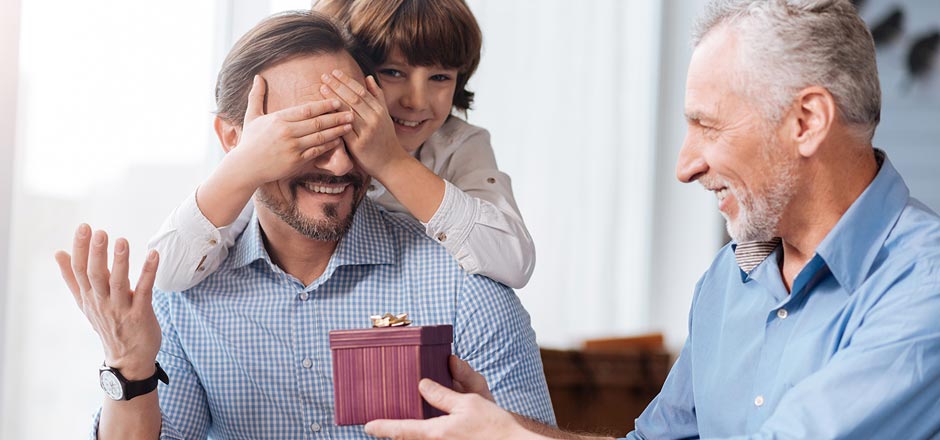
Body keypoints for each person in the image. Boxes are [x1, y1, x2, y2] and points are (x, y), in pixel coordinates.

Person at [364, 1, 940, 439]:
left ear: (807, 121)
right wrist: (500, 426)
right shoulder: (728, 281)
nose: (685, 165)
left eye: (707, 125)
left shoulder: (924, 284)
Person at [54, 11, 555, 440]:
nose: (338, 164)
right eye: (302, 136)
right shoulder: (187, 293)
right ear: (235, 141)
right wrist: (130, 367)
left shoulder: (465, 285)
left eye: (352, 130)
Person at [149, 0, 536, 293]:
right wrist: (244, 165)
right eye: (393, 73)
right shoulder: (294, 151)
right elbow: (166, 272)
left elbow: (514, 261)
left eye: (439, 77)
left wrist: (391, 162)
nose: (417, 101)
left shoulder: (459, 144)